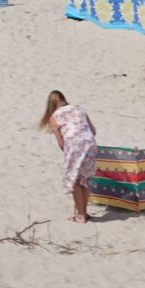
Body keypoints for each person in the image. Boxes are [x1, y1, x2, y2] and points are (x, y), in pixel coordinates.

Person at [38, 90, 98, 224]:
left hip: (74, 146)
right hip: (90, 145)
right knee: (85, 180)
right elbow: (93, 131)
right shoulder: (79, 109)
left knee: (74, 180)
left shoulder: (54, 117)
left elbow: (61, 143)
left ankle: (80, 216)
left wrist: (67, 151)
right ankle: (84, 213)